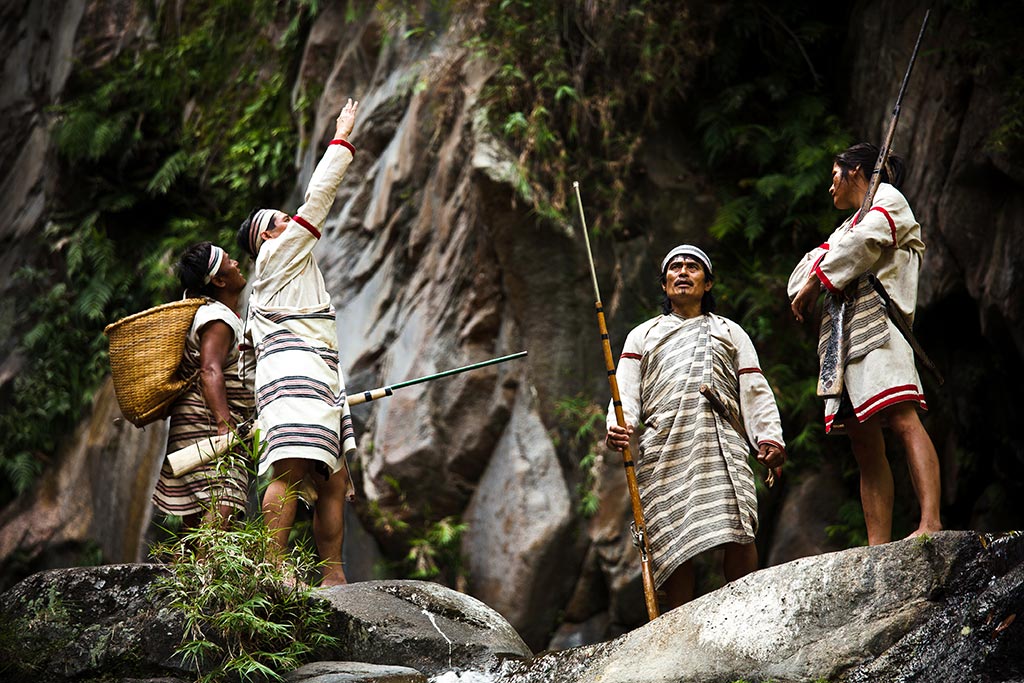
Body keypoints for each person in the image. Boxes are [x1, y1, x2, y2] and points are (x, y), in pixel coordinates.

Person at [605, 245, 786, 609]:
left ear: (708, 284)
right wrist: (619, 426)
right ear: (664, 283)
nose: (683, 272)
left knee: (738, 527)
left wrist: (768, 437)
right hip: (664, 450)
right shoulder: (643, 335)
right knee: (672, 541)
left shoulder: (729, 331)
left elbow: (754, 387)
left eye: (692, 267)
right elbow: (624, 390)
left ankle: (745, 612)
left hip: (720, 443)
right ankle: (675, 629)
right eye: (675, 268)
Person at [788, 142, 942, 544]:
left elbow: (864, 244)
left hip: (882, 327)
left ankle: (930, 521)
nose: (830, 186)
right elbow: (799, 274)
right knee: (863, 441)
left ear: (857, 171)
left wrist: (817, 280)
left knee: (904, 418)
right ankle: (878, 545)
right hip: (845, 338)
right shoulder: (844, 228)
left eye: (835, 175)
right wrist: (815, 276)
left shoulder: (888, 200)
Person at [237, 98, 359, 586]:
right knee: (288, 472)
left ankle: (333, 575)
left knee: (334, 479)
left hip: (311, 376)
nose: (290, 222)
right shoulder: (276, 256)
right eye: (277, 221)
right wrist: (342, 138)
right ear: (265, 240)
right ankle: (275, 569)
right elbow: (318, 199)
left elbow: (247, 365)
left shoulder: (277, 276)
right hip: (296, 375)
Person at [152, 242, 255, 531]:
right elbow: (209, 369)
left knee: (201, 510)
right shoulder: (217, 319)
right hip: (206, 422)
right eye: (228, 261)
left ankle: (189, 572)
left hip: (198, 420)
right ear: (219, 281)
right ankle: (202, 570)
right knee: (223, 497)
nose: (236, 263)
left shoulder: (216, 313)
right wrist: (224, 425)